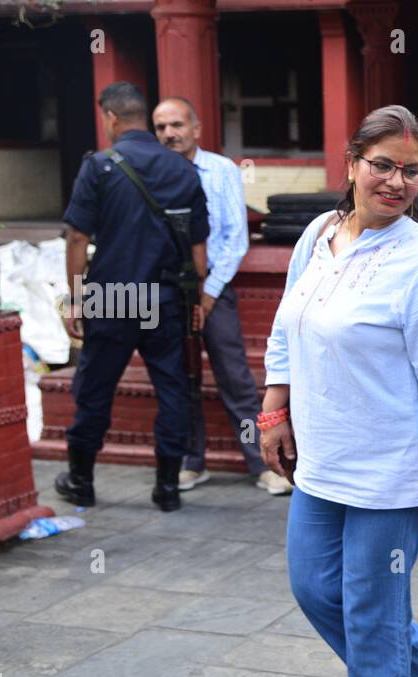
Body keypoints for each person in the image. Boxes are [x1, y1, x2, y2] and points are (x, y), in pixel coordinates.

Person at [262, 105, 418, 677]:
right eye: (382, 164)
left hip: (390, 470)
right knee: (312, 585)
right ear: (352, 163)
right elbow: (285, 326)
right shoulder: (320, 236)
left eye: (412, 170)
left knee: (371, 604)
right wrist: (274, 407)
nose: (396, 180)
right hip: (322, 461)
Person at [54, 81, 209, 512]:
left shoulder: (99, 166)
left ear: (111, 118)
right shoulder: (184, 169)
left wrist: (77, 299)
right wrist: (194, 300)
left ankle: (81, 480)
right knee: (173, 387)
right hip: (165, 296)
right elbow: (199, 247)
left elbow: (77, 238)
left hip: (114, 295)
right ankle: (168, 487)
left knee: (96, 387)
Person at [151, 96, 291, 496]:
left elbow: (235, 236)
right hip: (166, 292)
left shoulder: (220, 169)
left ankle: (261, 464)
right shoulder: (151, 172)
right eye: (161, 127)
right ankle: (192, 462)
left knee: (234, 376)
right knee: (179, 376)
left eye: (177, 125)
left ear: (196, 128)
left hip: (214, 286)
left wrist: (208, 293)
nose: (169, 134)